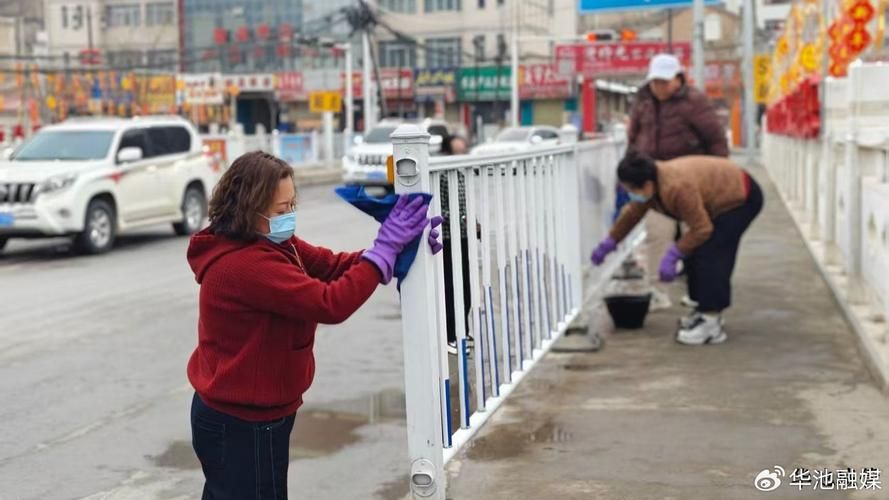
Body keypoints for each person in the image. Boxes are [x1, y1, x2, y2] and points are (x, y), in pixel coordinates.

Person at [186, 151, 442, 498]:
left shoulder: (272, 242)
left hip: (253, 414)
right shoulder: (246, 264)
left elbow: (332, 266)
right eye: (281, 210)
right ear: (248, 209)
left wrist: (396, 251)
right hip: (241, 423)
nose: (289, 216)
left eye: (292, 205)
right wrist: (384, 251)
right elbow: (330, 303)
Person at [591, 151, 763, 345]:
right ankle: (701, 310)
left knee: (711, 253)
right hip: (718, 197)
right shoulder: (650, 184)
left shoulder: (677, 187)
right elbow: (632, 214)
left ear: (646, 185)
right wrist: (610, 242)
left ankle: (711, 323)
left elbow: (702, 229)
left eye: (631, 190)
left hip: (740, 197)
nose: (631, 194)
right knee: (695, 250)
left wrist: (673, 254)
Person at [626, 53, 730, 311]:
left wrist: (719, 176)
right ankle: (657, 290)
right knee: (657, 235)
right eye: (655, 82)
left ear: (678, 79)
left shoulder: (695, 102)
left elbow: (715, 140)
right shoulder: (643, 102)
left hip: (690, 181)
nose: (659, 87)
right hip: (653, 181)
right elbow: (633, 138)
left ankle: (698, 292)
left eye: (664, 81)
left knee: (695, 235)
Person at [440, 134, 475, 355]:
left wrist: (471, 221)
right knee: (451, 288)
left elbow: (463, 207)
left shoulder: (460, 173)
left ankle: (463, 330)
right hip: (446, 238)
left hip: (462, 236)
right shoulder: (442, 175)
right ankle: (450, 334)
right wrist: (461, 219)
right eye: (459, 150)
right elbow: (437, 209)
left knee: (465, 286)